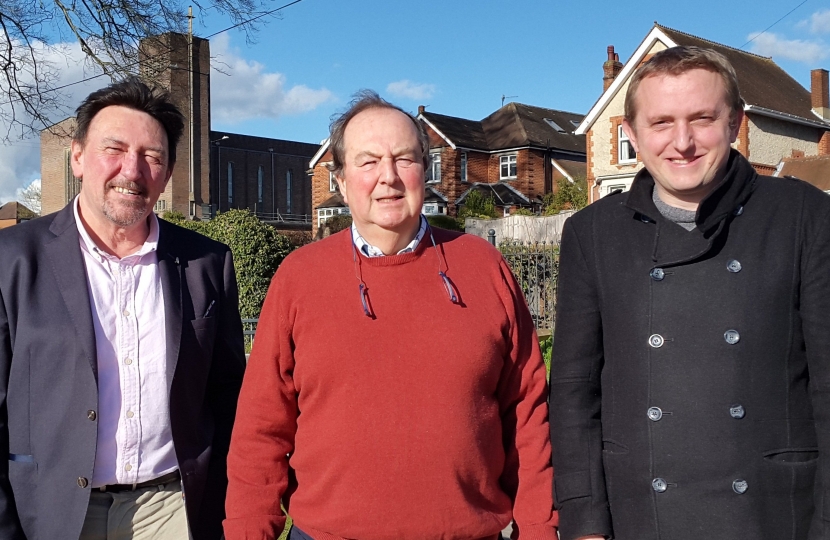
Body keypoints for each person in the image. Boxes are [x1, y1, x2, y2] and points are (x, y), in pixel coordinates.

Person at [224, 90, 557, 540]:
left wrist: (539, 529)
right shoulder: (300, 277)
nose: (389, 178)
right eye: (368, 162)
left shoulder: (482, 266)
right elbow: (260, 430)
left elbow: (529, 417)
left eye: (405, 159)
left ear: (425, 169)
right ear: (339, 180)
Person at [549, 45, 830, 540]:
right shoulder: (592, 233)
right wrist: (584, 521)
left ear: (734, 122)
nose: (682, 142)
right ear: (632, 134)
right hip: (640, 516)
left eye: (702, 118)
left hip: (774, 514)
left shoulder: (803, 215)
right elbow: (574, 392)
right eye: (661, 123)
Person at [0, 77, 246, 540]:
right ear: (77, 157)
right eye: (113, 149)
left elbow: (229, 397)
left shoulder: (207, 263)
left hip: (173, 509)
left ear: (168, 173)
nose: (132, 171)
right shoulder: (11, 259)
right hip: (53, 513)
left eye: (152, 157)